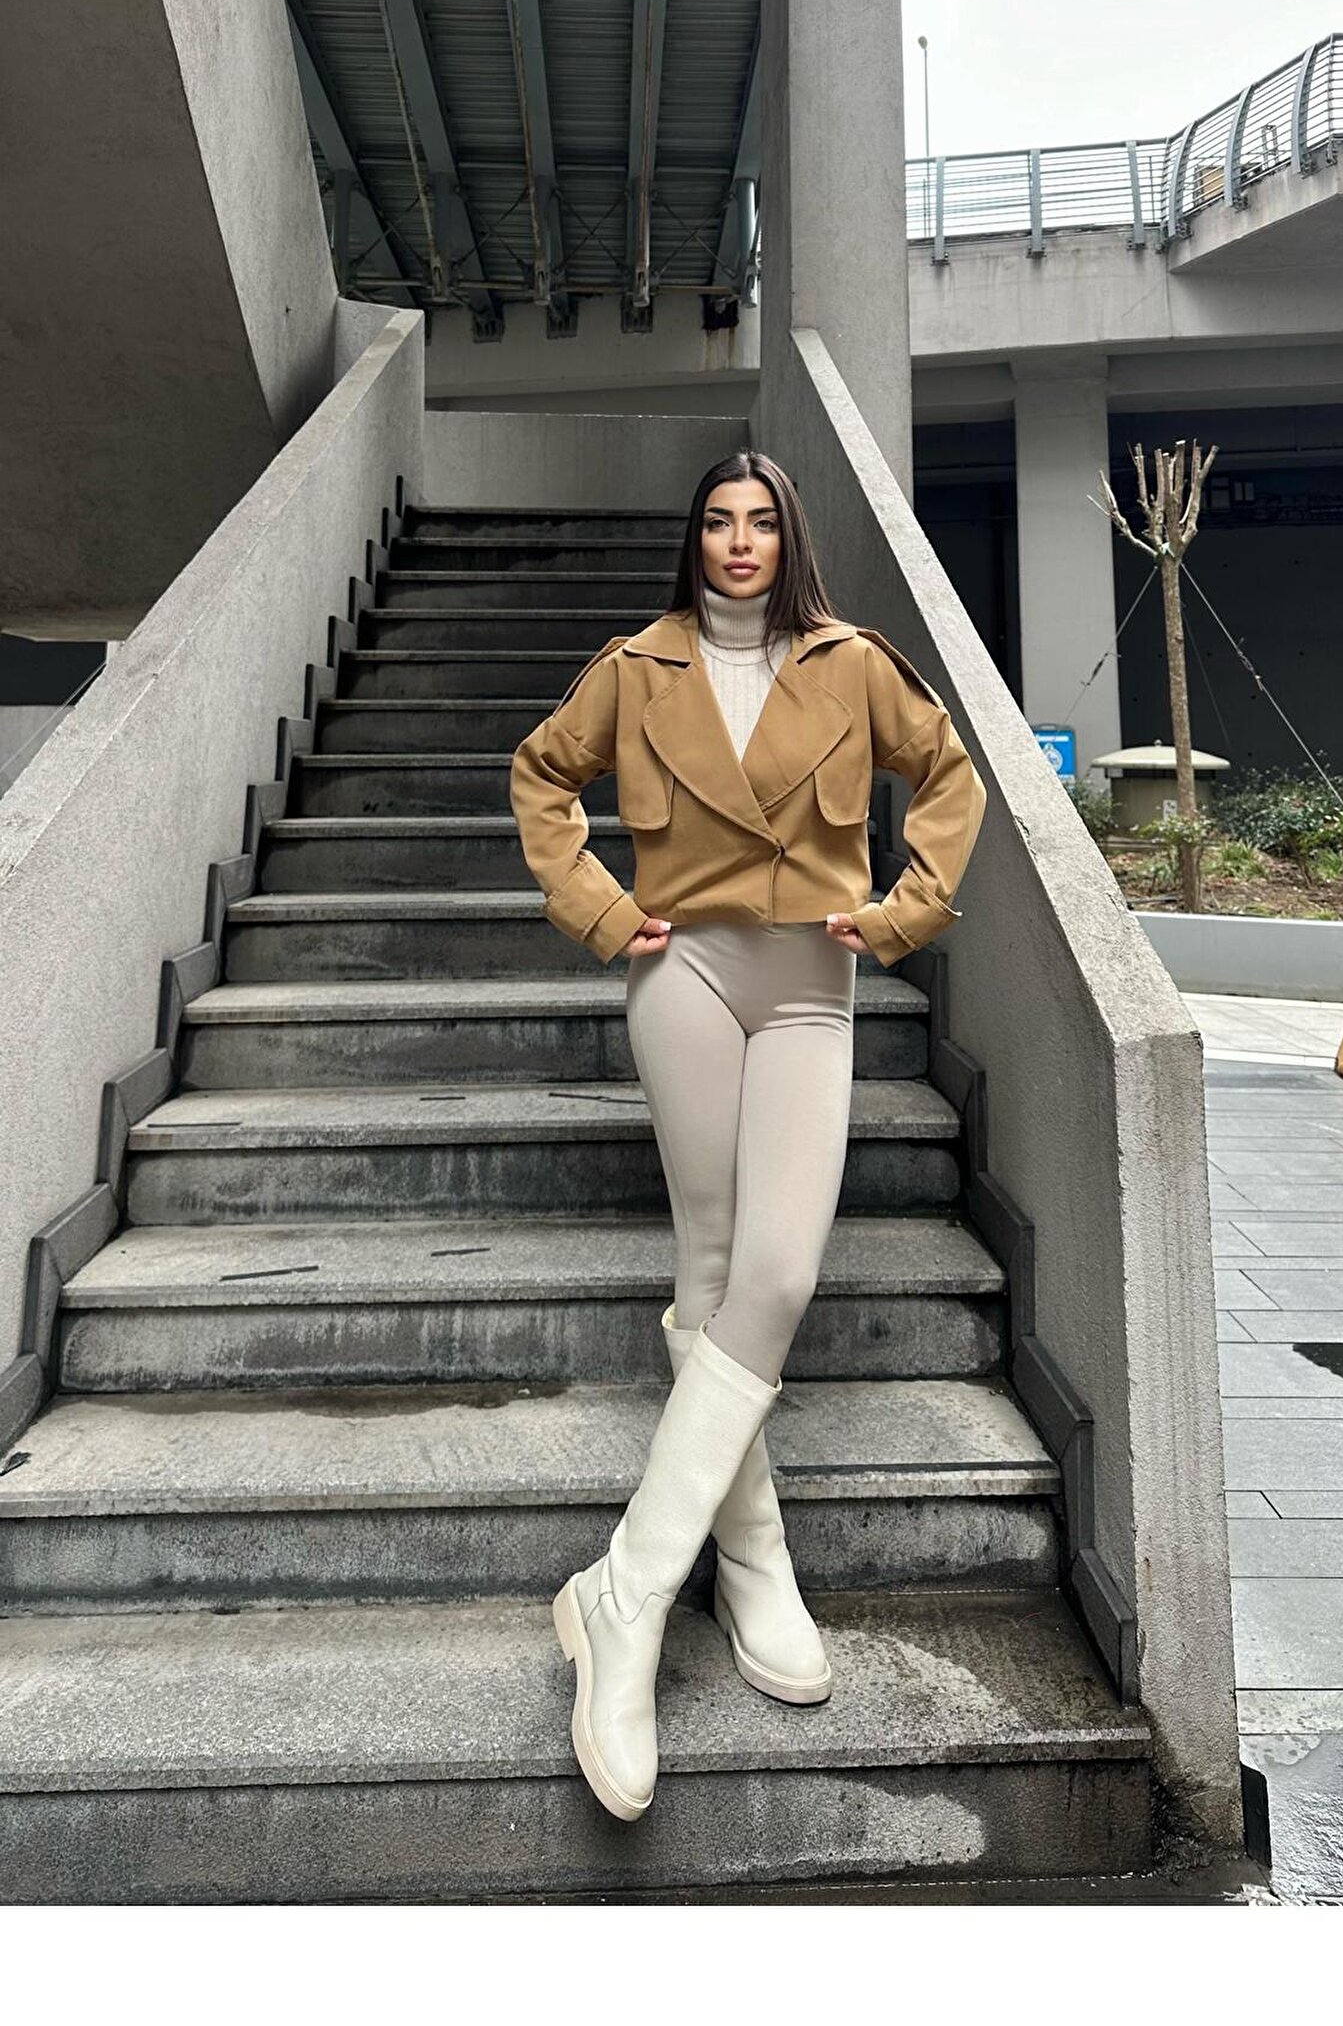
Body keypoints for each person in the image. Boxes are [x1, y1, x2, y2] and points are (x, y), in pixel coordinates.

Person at [508, 449, 986, 1821]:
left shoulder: (852, 663)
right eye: (718, 521)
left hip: (813, 982)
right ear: (696, 540)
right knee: (714, 1265)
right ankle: (754, 1565)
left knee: (776, 1274)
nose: (737, 542)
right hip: (685, 974)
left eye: (760, 522)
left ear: (788, 540)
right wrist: (605, 914)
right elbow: (542, 776)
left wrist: (902, 914)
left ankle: (627, 1585)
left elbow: (950, 775)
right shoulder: (635, 668)